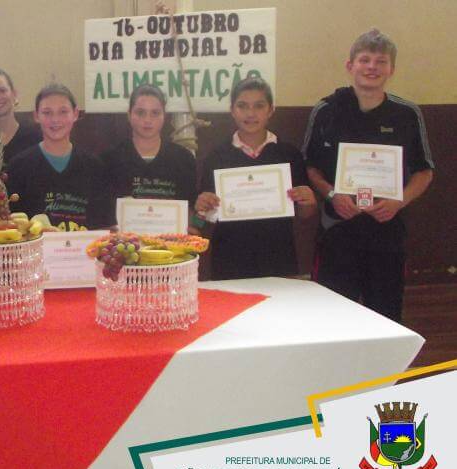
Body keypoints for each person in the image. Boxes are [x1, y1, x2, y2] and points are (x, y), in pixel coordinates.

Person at [302, 29, 434, 322]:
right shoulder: (326, 110)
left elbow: (425, 171)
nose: (372, 67)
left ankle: (386, 371)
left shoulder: (407, 114)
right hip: (337, 231)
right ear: (350, 66)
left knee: (385, 315)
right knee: (331, 316)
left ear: (391, 69)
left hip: (386, 233)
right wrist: (333, 195)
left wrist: (398, 201)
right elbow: (310, 166)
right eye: (364, 59)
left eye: (380, 61)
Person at [195, 77, 317, 280]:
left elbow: (305, 216)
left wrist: (309, 202)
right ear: (232, 110)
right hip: (229, 261)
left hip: (278, 258)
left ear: (270, 110)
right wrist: (201, 208)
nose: (250, 114)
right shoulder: (216, 157)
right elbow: (203, 220)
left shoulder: (288, 155)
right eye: (242, 106)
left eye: (259, 106)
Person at [6, 83, 112, 231]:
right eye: (47, 112)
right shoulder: (18, 167)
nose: (55, 119)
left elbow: (104, 226)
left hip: (83, 253)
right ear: (36, 116)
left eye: (63, 112)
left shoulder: (94, 167)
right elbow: (11, 227)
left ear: (75, 114)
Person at [100, 84, 199, 233]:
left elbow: (196, 214)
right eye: (140, 113)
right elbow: (101, 215)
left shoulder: (184, 159)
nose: (147, 120)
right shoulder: (108, 160)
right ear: (129, 115)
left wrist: (195, 226)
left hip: (171, 251)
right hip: (126, 250)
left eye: (155, 113)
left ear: (164, 116)